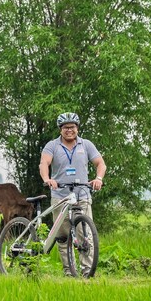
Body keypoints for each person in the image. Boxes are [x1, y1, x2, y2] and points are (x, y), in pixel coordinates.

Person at [39, 112, 107, 277]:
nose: (69, 130)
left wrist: (98, 178)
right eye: (66, 127)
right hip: (60, 195)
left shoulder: (86, 145)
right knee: (62, 236)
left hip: (82, 194)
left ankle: (86, 271)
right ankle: (69, 271)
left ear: (77, 128)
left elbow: (100, 164)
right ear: (60, 129)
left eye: (72, 127)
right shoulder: (52, 145)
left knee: (85, 234)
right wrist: (48, 179)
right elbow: (44, 163)